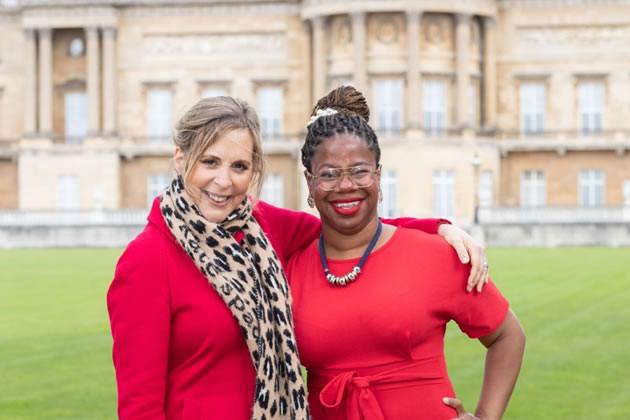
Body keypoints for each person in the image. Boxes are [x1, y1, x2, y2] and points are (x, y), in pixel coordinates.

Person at [107, 96, 491, 420]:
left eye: (239, 166)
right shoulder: (147, 260)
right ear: (180, 159)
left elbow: (349, 218)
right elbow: (140, 404)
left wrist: (437, 227)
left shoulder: (262, 226)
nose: (224, 181)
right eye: (210, 162)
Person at [286, 86, 526, 420]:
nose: (346, 185)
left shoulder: (436, 255)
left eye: (359, 170)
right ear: (309, 183)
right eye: (329, 174)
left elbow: (507, 335)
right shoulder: (289, 269)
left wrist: (487, 416)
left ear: (379, 177)